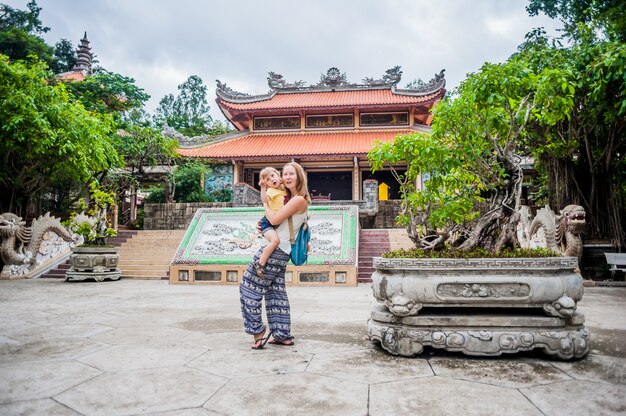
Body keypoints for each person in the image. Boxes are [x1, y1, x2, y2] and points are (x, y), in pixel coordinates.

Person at [239, 162, 311, 349]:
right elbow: (276, 221)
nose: (287, 177)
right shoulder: (289, 198)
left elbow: (273, 219)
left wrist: (264, 205)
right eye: (284, 173)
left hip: (275, 251)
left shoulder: (298, 200)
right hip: (282, 251)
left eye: (291, 174)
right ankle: (281, 334)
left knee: (248, 288)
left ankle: (257, 331)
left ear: (299, 177)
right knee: (275, 292)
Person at [254, 167, 287, 278]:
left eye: (273, 175)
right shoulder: (271, 191)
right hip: (268, 222)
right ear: (267, 184)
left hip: (278, 221)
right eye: (268, 179)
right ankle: (260, 263)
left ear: (278, 175)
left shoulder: (284, 189)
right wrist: (263, 188)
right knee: (275, 241)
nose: (272, 179)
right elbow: (264, 199)